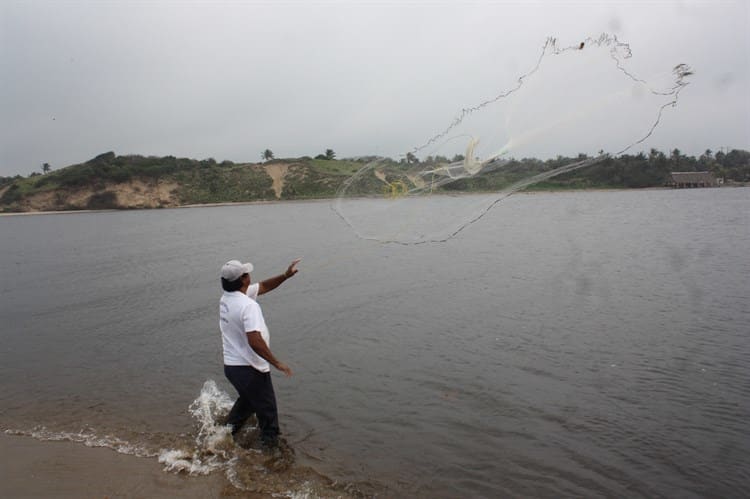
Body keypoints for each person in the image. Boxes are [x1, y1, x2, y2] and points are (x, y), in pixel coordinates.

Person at [219, 257, 300, 449]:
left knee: (247, 402)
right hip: (251, 370)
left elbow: (263, 286)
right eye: (246, 274)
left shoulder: (226, 298)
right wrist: (276, 362)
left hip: (232, 368)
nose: (250, 276)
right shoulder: (248, 306)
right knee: (268, 416)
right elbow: (254, 341)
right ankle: (270, 459)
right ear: (243, 280)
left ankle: (222, 436)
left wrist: (285, 276)